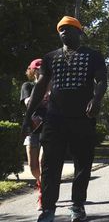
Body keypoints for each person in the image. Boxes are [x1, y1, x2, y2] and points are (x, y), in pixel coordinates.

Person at [22, 16, 107, 222]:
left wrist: (96, 99)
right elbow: (40, 86)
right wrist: (27, 115)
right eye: (61, 30)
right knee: (51, 164)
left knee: (82, 163)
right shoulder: (50, 57)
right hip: (54, 119)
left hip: (82, 118)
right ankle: (48, 208)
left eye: (69, 29)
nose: (64, 33)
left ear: (80, 32)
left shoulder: (93, 56)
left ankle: (77, 206)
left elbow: (102, 80)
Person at [20, 58, 46, 211]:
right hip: (32, 129)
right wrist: (44, 96)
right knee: (33, 166)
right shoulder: (27, 86)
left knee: (43, 162)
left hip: (49, 128)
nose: (38, 71)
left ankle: (43, 195)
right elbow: (29, 102)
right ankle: (40, 184)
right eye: (36, 69)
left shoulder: (53, 86)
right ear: (31, 70)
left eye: (41, 68)